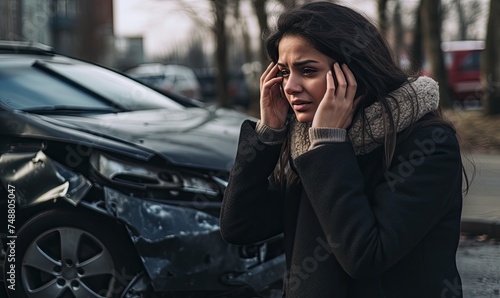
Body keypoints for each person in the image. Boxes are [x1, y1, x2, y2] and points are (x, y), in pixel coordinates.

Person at [220, 2, 467, 297]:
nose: (290, 86)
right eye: (284, 72)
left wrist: (328, 144)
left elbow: (364, 256)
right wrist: (268, 134)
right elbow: (239, 226)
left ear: (352, 73)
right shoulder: (305, 143)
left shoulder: (427, 143)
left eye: (307, 70)